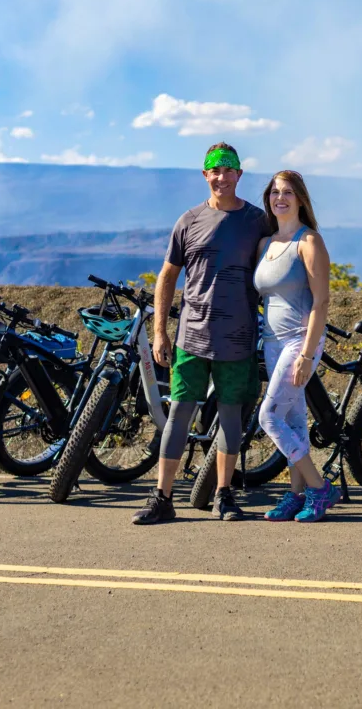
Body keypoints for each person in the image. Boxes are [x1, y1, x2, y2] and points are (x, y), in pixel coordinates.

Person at [132, 143, 270, 524]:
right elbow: (167, 277)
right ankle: (162, 497)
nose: (222, 177)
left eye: (229, 171)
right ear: (204, 175)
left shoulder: (258, 222)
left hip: (238, 336)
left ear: (239, 175)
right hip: (191, 336)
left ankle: (224, 496)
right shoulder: (188, 221)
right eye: (215, 171)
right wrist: (159, 332)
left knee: (230, 419)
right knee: (179, 415)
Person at [254, 170, 337, 522]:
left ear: (300, 199)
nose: (280, 198)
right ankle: (297, 493)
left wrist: (306, 353)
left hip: (298, 342)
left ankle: (320, 489)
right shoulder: (266, 244)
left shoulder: (309, 242)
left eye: (287, 192)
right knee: (293, 420)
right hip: (270, 344)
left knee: (269, 416)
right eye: (274, 192)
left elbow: (321, 302)